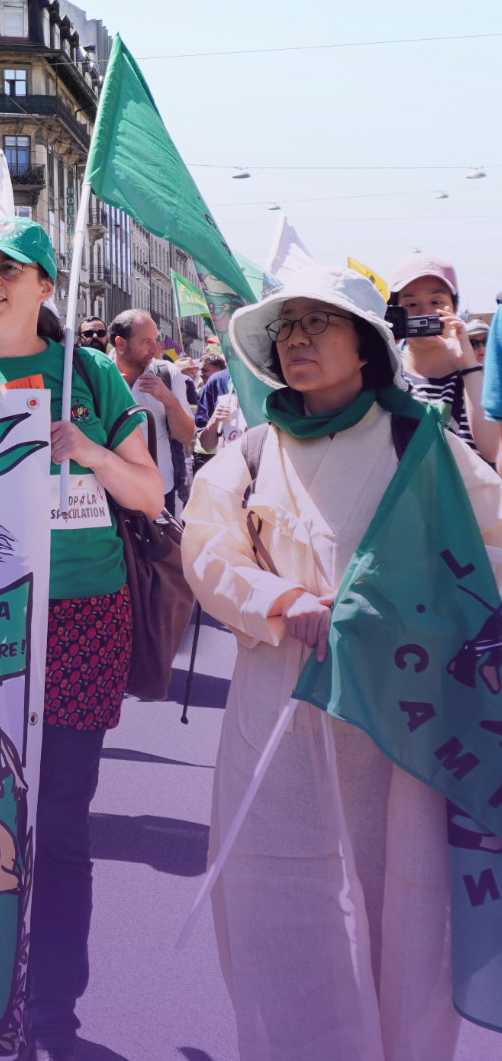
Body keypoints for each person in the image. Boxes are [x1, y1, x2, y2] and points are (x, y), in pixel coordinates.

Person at [181, 263, 502, 1060]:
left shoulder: (419, 446)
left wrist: (393, 614)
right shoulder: (251, 450)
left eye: (317, 325)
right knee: (281, 909)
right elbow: (206, 552)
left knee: (406, 916)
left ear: (365, 347)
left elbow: (488, 549)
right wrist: (281, 605)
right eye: (286, 329)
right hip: (276, 723)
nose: (297, 341)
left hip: (397, 734)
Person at [0, 217, 160, 1061]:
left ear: (44, 286)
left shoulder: (90, 372)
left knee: (59, 823)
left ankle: (53, 1009)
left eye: (7, 270)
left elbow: (149, 494)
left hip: (83, 617)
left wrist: (88, 449)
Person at [389, 253, 497, 463]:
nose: (424, 312)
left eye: (436, 301)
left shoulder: (483, 377)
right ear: (395, 312)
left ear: (454, 308)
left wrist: (467, 365)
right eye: (411, 305)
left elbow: (492, 450)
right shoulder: (389, 376)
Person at [108, 309, 196, 515]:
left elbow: (185, 435)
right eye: (146, 341)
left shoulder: (168, 373)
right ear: (121, 344)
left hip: (158, 491)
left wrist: (168, 399)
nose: (155, 348)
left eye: (155, 340)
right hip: (108, 490)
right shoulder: (98, 373)